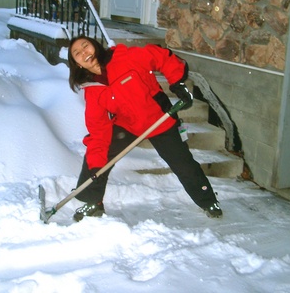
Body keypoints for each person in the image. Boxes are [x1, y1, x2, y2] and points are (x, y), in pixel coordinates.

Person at [67, 36, 222, 221]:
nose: (84, 52)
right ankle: (93, 201)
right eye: (77, 53)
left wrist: (177, 83)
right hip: (129, 124)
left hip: (159, 117)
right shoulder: (92, 89)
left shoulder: (125, 57)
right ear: (77, 64)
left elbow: (160, 56)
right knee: (99, 155)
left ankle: (208, 201)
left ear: (95, 46)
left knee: (183, 164)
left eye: (86, 46)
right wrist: (95, 167)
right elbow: (98, 131)